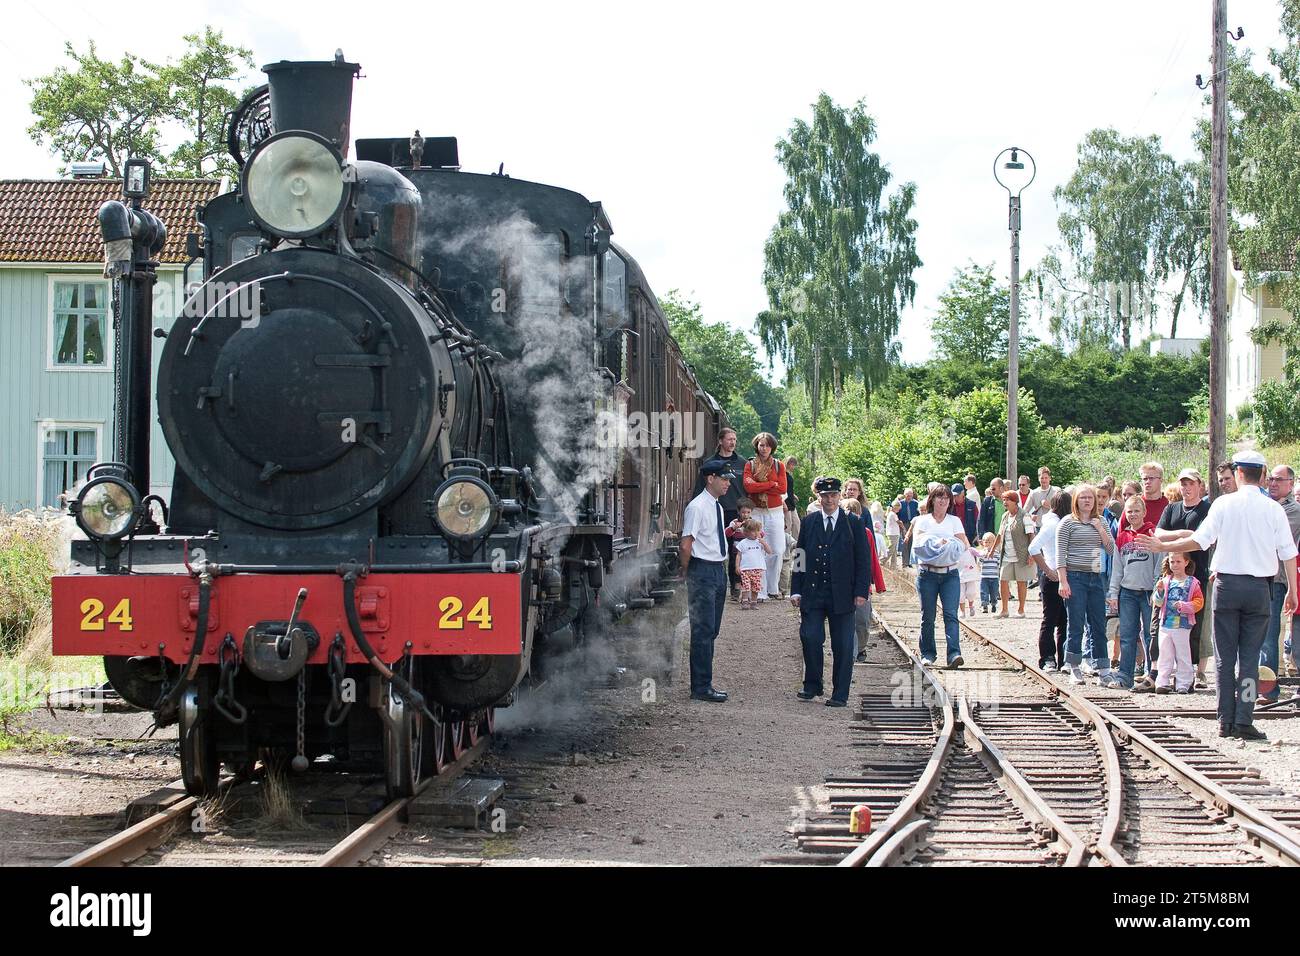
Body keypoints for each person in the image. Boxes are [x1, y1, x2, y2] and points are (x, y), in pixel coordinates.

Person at [1137, 451, 1299, 740]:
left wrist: (1163, 547)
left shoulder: (1223, 504)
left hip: (1226, 586)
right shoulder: (1273, 509)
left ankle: (1225, 720)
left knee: (1225, 657)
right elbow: (1288, 553)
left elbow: (1200, 540)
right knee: (1249, 658)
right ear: (1262, 475)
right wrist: (1292, 592)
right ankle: (1244, 719)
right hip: (1259, 589)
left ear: (1237, 473)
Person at [790, 477, 870, 706]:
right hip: (813, 591)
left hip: (843, 593)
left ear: (840, 496)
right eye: (825, 496)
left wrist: (861, 591)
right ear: (819, 497)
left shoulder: (853, 522)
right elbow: (799, 557)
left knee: (843, 645)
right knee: (810, 637)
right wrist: (795, 589)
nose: (829, 500)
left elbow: (863, 560)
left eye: (834, 495)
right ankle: (812, 685)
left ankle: (840, 693)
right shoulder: (810, 521)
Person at [680, 459, 735, 702]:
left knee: (711, 629)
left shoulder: (717, 507)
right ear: (710, 478)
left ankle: (705, 682)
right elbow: (686, 543)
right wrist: (686, 570)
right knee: (702, 630)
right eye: (724, 478)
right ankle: (701, 687)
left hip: (716, 570)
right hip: (702, 569)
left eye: (729, 479)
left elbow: (710, 538)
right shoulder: (697, 506)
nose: (728, 483)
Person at [1152, 470, 1212, 688]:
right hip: (1172, 572)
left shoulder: (1207, 509)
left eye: (1190, 484)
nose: (1186, 489)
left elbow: (1204, 538)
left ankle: (1195, 672)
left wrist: (1187, 536)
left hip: (1198, 573)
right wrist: (1183, 534)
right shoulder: (1172, 508)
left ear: (1199, 485)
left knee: (1197, 623)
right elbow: (1158, 533)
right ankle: (1162, 671)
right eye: (1183, 484)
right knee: (1163, 620)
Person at [1057, 483, 1118, 686]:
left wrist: (1099, 528)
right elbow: (1060, 555)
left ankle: (1103, 668)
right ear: (1076, 500)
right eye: (1083, 497)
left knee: (1098, 624)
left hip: (1095, 576)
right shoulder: (1067, 522)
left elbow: (1111, 549)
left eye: (1090, 497)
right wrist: (1063, 581)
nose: (1087, 500)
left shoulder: (1100, 521)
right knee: (1075, 624)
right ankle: (1074, 666)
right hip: (1074, 576)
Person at [911, 484, 969, 667]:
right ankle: (928, 653)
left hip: (950, 574)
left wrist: (947, 544)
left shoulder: (954, 521)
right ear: (932, 500)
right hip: (927, 574)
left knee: (951, 614)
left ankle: (954, 653)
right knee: (928, 615)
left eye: (946, 498)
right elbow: (918, 545)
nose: (943, 501)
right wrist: (938, 543)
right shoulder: (923, 521)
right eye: (939, 497)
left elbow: (963, 543)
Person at [1108, 495, 1159, 690]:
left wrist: (1156, 589)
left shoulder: (1152, 534)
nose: (1133, 514)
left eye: (1137, 511)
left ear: (1144, 513)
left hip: (1147, 592)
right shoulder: (1122, 537)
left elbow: (1158, 565)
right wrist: (1113, 593)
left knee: (1150, 635)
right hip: (1127, 592)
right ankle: (1124, 676)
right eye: (1129, 511)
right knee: (1128, 635)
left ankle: (1151, 675)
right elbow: (1117, 568)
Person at [1261, 465, 1300, 702]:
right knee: (1267, 635)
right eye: (1271, 479)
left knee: (1292, 635)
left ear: (1290, 483)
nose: (1273, 483)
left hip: (1287, 578)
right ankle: (1267, 688)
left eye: (1278, 479)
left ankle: (1272, 688)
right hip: (1267, 576)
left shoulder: (1296, 511)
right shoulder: (1263, 507)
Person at [695, 428, 746, 599]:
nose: (733, 442)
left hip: (736, 511)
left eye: (735, 439)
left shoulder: (742, 463)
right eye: (730, 439)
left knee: (736, 550)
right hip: (715, 510)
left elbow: (747, 489)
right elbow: (699, 488)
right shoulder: (710, 464)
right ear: (720, 441)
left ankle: (735, 585)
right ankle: (716, 584)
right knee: (715, 547)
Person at [1029, 490, 1071, 671]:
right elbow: (1033, 547)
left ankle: (1062, 659)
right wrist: (1047, 569)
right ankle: (1047, 657)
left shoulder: (1059, 522)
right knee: (1051, 619)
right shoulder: (1053, 525)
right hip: (1053, 576)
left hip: (1063, 576)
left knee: (1064, 620)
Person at [1150, 552, 1204, 694]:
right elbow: (1157, 602)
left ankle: (1184, 683)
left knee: (1183, 655)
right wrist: (1160, 591)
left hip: (1183, 625)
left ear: (1186, 562)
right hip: (1165, 624)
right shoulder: (1165, 581)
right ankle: (1162, 682)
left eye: (1178, 562)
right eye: (1172, 562)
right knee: (1165, 654)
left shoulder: (1193, 582)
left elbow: (1199, 602)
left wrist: (1185, 606)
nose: (1174, 565)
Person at [742, 433, 787, 601]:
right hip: (757, 512)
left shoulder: (779, 466)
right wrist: (770, 485)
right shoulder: (750, 465)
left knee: (777, 549)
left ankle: (772, 587)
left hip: (775, 512)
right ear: (757, 446)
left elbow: (782, 489)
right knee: (758, 548)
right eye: (761, 445)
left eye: (767, 445)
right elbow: (748, 487)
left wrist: (759, 486)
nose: (764, 449)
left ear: (772, 447)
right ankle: (759, 591)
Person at [990, 490, 1034, 618]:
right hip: (1007, 554)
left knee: (1021, 582)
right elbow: (999, 534)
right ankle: (1004, 610)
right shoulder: (1005, 516)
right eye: (1003, 500)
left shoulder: (1024, 515)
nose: (1005, 502)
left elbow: (1031, 535)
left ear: (1015, 501)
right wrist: (992, 550)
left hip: (1021, 554)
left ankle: (1021, 610)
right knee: (1003, 580)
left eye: (1007, 500)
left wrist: (1031, 553)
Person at [733, 518, 772, 610]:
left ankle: (754, 602)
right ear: (746, 532)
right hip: (745, 568)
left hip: (757, 568)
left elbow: (769, 551)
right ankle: (745, 601)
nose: (756, 533)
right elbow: (738, 555)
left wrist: (764, 543)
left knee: (756, 586)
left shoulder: (760, 542)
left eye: (758, 530)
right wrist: (737, 566)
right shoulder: (743, 543)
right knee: (746, 586)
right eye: (753, 531)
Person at [1138, 462, 1169, 528]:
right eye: (1145, 479)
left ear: (1161, 480)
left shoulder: (1169, 506)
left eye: (1151, 478)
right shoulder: (1134, 505)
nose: (1147, 482)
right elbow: (1121, 534)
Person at [958, 537, 981, 618]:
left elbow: (979, 553)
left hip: (971, 575)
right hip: (959, 576)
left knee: (971, 593)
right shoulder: (956, 551)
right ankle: (962, 611)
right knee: (961, 595)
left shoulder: (970, 550)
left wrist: (986, 551)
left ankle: (971, 606)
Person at [980, 532, 1001, 614]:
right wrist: (983, 555)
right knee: (984, 591)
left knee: (994, 592)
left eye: (989, 542)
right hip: (984, 576)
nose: (987, 544)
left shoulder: (996, 553)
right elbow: (980, 562)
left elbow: (998, 563)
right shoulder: (982, 553)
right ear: (983, 543)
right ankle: (984, 605)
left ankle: (994, 604)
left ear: (994, 543)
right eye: (985, 542)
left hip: (994, 576)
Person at [898, 487, 919, 567]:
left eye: (911, 495)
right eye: (907, 495)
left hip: (913, 524)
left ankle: (910, 561)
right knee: (904, 542)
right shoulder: (900, 503)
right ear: (904, 495)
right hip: (903, 524)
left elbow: (919, 513)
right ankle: (905, 562)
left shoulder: (916, 503)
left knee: (911, 542)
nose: (909, 497)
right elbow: (897, 514)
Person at [885, 499, 902, 569]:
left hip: (894, 533)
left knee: (894, 550)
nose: (899, 510)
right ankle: (882, 560)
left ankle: (893, 565)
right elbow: (899, 522)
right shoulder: (893, 514)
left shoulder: (891, 514)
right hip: (893, 533)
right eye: (898, 509)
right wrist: (903, 527)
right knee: (891, 549)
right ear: (895, 507)